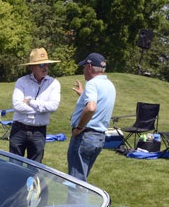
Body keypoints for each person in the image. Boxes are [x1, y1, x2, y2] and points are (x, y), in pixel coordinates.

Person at [67, 52, 116, 181]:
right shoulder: (110, 85)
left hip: (85, 136)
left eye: (84, 67)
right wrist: (83, 95)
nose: (83, 70)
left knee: (75, 183)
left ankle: (77, 202)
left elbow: (91, 108)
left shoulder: (92, 84)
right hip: (99, 138)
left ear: (89, 67)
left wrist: (78, 128)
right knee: (82, 180)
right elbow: (98, 103)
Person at [9, 47, 62, 162]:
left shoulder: (54, 83)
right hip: (19, 130)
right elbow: (17, 105)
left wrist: (30, 102)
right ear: (32, 67)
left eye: (47, 65)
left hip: (39, 131)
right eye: (42, 65)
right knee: (13, 165)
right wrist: (42, 109)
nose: (46, 68)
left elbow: (53, 107)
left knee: (34, 168)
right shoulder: (21, 82)